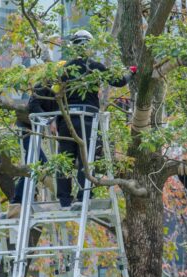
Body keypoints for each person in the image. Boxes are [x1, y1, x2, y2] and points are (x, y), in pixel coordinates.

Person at [55, 29, 136, 208]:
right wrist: (131, 71)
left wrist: (57, 120)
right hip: (87, 120)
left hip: (67, 120)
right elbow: (119, 81)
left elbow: (56, 94)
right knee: (87, 159)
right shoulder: (95, 66)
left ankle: (64, 200)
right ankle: (83, 197)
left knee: (64, 160)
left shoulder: (65, 69)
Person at [5, 79, 58, 218]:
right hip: (26, 128)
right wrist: (49, 121)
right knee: (38, 164)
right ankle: (17, 202)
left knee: (36, 166)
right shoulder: (43, 85)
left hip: (38, 130)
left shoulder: (65, 91)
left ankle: (18, 202)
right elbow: (34, 105)